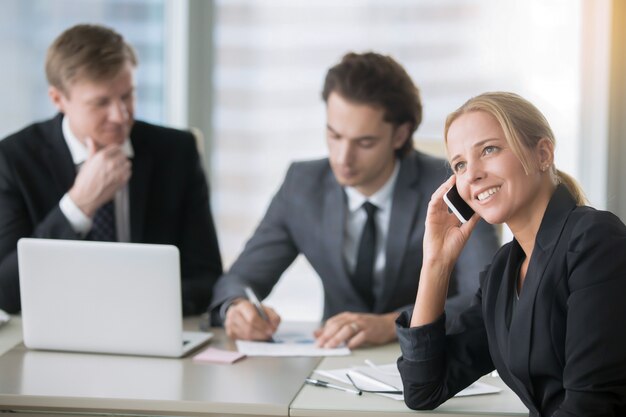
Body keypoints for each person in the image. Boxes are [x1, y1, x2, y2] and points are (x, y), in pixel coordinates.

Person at [209, 52, 500, 348]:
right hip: (331, 362)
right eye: (334, 136)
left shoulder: (448, 188)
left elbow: (486, 296)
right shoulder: (302, 185)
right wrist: (236, 307)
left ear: (399, 135)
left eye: (364, 143)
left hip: (430, 361)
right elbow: (239, 280)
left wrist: (392, 324)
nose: (342, 158)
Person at [396, 92, 626, 415]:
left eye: (489, 150)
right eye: (460, 164)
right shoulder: (502, 272)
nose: (472, 174)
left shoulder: (594, 240)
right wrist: (436, 263)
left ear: (542, 154)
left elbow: (591, 405)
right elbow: (423, 389)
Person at [0, 24, 222, 315]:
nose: (120, 116)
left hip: (149, 324)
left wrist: (124, 307)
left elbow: (206, 278)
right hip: (54, 331)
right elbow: (5, 291)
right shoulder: (14, 159)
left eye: (127, 95)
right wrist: (78, 206)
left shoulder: (177, 152)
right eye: (101, 102)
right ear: (58, 99)